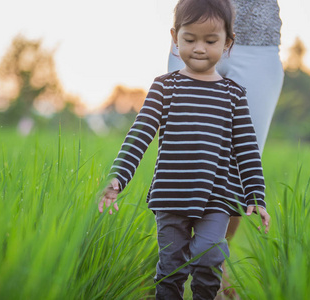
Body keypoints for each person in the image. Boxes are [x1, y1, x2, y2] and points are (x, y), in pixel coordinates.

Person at [99, 0, 270, 298]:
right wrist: (118, 177)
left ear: (228, 43)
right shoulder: (164, 87)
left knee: (208, 254)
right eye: (189, 39)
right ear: (174, 38)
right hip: (170, 196)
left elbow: (247, 149)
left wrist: (256, 194)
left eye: (211, 40)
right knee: (171, 266)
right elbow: (139, 135)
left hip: (216, 196)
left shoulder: (234, 96)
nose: (199, 48)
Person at [168, 1, 284, 297]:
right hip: (194, 26)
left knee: (240, 161)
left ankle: (214, 263)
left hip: (258, 43)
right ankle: (175, 263)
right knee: (185, 154)